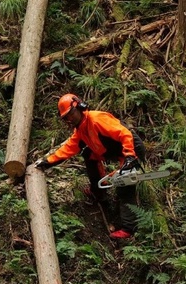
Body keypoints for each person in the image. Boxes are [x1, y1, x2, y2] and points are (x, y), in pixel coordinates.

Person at [35, 94, 145, 239]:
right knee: (88, 154)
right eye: (66, 117)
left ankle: (129, 228)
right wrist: (47, 161)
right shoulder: (80, 130)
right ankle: (98, 191)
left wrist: (130, 156)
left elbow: (124, 134)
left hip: (130, 146)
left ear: (79, 107)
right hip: (111, 150)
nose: (70, 119)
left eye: (71, 114)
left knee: (124, 184)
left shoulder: (97, 119)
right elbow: (68, 148)